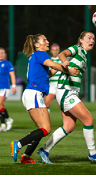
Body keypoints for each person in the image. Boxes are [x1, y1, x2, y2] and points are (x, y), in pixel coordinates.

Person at [37, 31, 96, 164]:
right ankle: (93, 154)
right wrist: (65, 63)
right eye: (89, 38)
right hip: (66, 91)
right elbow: (62, 54)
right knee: (88, 119)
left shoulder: (84, 55)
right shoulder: (78, 48)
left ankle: (44, 150)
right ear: (81, 40)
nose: (92, 40)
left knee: (69, 126)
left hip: (70, 92)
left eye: (93, 38)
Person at [10, 34, 79, 164]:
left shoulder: (37, 56)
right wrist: (68, 70)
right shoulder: (40, 53)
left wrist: (63, 65)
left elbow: (50, 71)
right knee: (46, 129)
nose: (47, 42)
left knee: (41, 130)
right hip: (34, 93)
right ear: (37, 45)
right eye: (44, 40)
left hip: (33, 94)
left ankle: (26, 156)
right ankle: (18, 144)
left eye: (47, 39)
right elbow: (52, 64)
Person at [0, 47, 16, 132]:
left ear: (5, 54)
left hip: (5, 87)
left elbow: (12, 75)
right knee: (1, 106)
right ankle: (3, 124)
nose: (1, 54)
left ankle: (9, 119)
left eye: (2, 53)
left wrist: (14, 86)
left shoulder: (7, 63)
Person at [45, 43, 62, 113]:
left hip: (60, 85)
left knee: (61, 105)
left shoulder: (62, 60)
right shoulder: (49, 60)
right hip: (51, 85)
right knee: (46, 103)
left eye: (56, 50)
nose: (55, 51)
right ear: (51, 51)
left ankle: (67, 122)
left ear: (59, 51)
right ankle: (45, 122)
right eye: (53, 50)